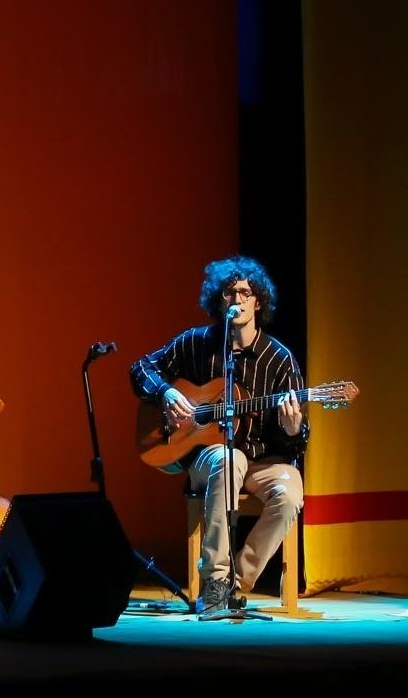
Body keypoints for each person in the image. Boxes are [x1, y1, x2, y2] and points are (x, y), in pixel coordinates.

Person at [129, 255, 307, 615]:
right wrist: (165, 391)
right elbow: (140, 367)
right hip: (208, 459)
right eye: (230, 292)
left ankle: (234, 583)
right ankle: (214, 580)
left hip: (263, 461)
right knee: (230, 458)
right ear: (219, 299)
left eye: (245, 292)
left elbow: (298, 439)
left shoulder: (279, 359)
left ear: (259, 302)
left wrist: (292, 429)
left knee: (289, 491)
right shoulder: (196, 343)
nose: (237, 299)